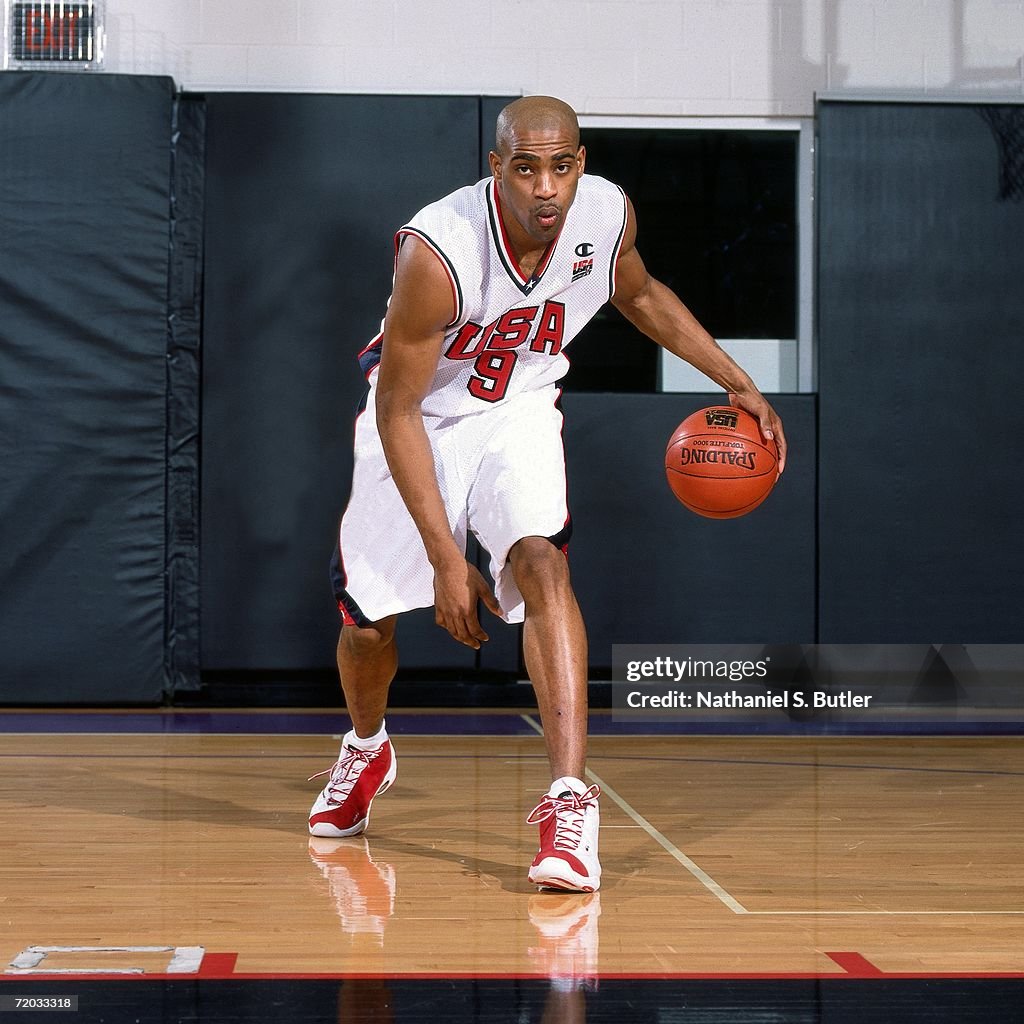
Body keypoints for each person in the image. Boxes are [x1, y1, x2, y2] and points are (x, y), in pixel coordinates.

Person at [308, 96, 787, 894]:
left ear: (580, 164)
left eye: (560, 165)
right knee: (367, 626)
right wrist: (444, 560)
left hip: (519, 409)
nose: (545, 186)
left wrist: (739, 382)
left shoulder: (605, 215)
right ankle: (367, 747)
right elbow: (395, 409)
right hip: (420, 421)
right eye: (525, 166)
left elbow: (639, 295)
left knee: (544, 564)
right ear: (496, 168)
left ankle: (569, 803)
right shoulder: (442, 249)